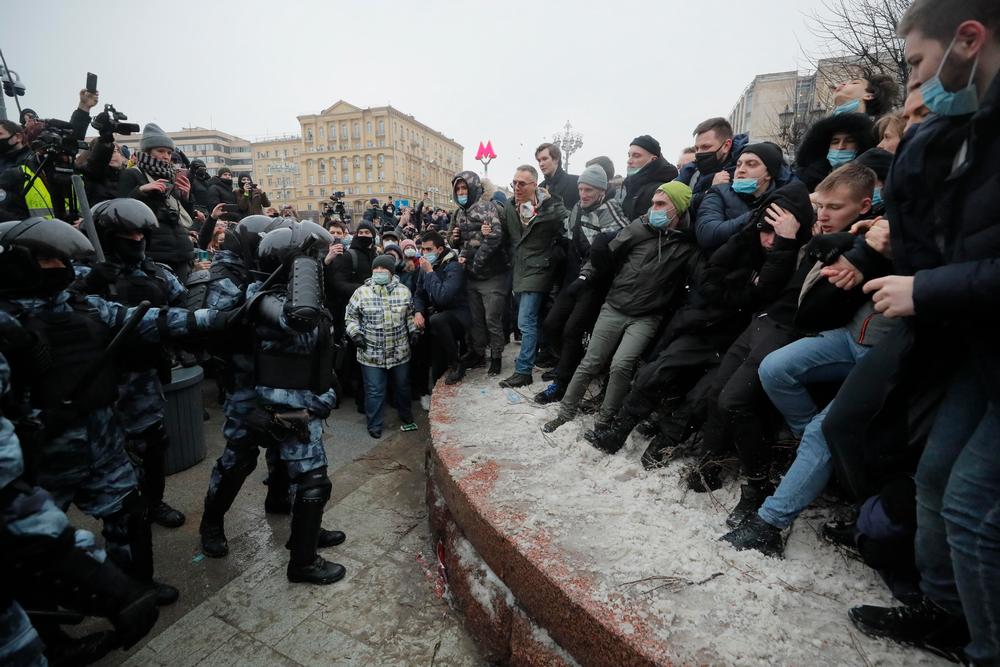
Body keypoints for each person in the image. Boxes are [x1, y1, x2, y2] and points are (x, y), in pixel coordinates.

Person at [847, 2, 1000, 663]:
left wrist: (925, 290)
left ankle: (987, 646)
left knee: (971, 508)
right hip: (979, 348)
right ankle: (943, 611)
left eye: (914, 64)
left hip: (977, 338)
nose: (914, 87)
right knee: (935, 478)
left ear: (968, 39)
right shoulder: (972, 129)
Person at [0, 217, 227, 607]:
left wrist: (215, 319)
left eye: (61, 259)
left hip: (101, 439)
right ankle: (49, 633)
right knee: (35, 545)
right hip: (40, 456)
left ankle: (137, 587)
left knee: (130, 514)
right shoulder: (7, 324)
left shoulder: (80, 304)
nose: (60, 267)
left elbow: (146, 317)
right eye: (47, 259)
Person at [589, 181, 814, 465]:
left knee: (701, 397)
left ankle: (662, 448)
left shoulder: (799, 254)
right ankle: (617, 432)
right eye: (766, 232)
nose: (770, 241)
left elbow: (767, 295)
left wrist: (784, 249)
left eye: (777, 235)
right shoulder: (743, 244)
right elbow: (711, 282)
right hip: (711, 325)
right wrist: (744, 292)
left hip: (744, 339)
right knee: (657, 370)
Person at [700, 164, 873, 527]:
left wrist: (819, 242)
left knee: (735, 400)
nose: (824, 214)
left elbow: (821, 307)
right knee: (719, 391)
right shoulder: (811, 231)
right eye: (820, 206)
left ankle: (758, 482)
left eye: (835, 208)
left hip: (791, 331)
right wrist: (791, 240)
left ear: (863, 208)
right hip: (765, 319)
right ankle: (717, 462)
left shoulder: (860, 249)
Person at [724, 215, 894, 557]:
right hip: (852, 335)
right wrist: (856, 239)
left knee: (823, 429)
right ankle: (811, 454)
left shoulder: (945, 234)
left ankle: (768, 525)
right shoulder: (887, 221)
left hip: (890, 353)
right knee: (776, 368)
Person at [200, 222, 346, 585]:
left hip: (292, 398)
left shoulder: (289, 295)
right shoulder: (254, 296)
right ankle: (212, 523)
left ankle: (302, 533)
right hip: (247, 395)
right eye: (310, 261)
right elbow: (289, 322)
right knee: (236, 464)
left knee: (301, 474)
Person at [0, 348, 160, 665]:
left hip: (99, 448)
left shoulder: (74, 308)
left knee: (130, 517)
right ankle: (54, 641)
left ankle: (134, 584)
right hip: (44, 466)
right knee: (29, 563)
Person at [542, 182, 700, 435]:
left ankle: (605, 420)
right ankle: (565, 412)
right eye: (653, 204)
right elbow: (606, 252)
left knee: (621, 366)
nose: (653, 210)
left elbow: (696, 276)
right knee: (591, 362)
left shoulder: (687, 244)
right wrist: (584, 277)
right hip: (615, 306)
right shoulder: (638, 228)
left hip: (647, 317)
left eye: (661, 205)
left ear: (678, 209)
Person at [73, 198, 190, 529]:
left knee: (153, 444)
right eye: (128, 235)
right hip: (98, 378)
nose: (136, 241)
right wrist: (86, 284)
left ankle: (154, 503)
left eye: (141, 234)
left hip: (142, 375)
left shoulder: (157, 273)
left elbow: (184, 308)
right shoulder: (82, 272)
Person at [535, 164, 629, 404]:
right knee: (552, 323)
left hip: (596, 281)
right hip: (575, 276)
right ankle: (567, 362)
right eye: (581, 189)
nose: (583, 194)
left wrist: (587, 276)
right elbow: (569, 235)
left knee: (573, 330)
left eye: (589, 190)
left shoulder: (610, 210)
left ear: (601, 191)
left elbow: (614, 246)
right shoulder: (577, 207)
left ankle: (563, 383)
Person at [498, 165, 568, 388]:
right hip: (519, 270)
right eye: (514, 183)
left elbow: (566, 224)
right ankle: (543, 353)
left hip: (539, 269)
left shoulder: (549, 207)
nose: (517, 187)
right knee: (533, 319)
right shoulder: (509, 206)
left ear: (534, 185)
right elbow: (507, 235)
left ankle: (524, 371)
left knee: (525, 321)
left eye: (522, 183)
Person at [345, 254, 419, 438]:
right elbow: (350, 317)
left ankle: (406, 414)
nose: (378, 272)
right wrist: (356, 334)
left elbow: (409, 315)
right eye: (375, 269)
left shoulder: (403, 291)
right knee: (374, 390)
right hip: (370, 352)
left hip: (399, 350)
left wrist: (414, 331)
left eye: (383, 269)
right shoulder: (361, 292)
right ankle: (374, 424)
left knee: (402, 386)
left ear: (391, 272)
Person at [447, 170, 508, 377]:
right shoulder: (458, 212)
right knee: (476, 320)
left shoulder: (487, 207)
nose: (461, 192)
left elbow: (495, 238)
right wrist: (454, 239)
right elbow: (452, 240)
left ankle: (497, 357)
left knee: (492, 318)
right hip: (472, 277)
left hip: (492, 275)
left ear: (473, 188)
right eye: (458, 189)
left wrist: (477, 262)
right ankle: (479, 354)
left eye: (464, 188)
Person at [118, 123, 196, 281]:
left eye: (168, 152)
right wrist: (141, 191)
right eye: (160, 151)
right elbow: (121, 211)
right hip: (155, 253)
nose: (166, 156)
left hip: (180, 251)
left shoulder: (169, 176)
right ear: (147, 151)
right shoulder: (131, 174)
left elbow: (182, 218)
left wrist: (186, 197)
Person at [695, 141, 792, 250]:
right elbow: (707, 233)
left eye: (751, 164)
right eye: (738, 165)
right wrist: (756, 215)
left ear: (769, 174)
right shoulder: (719, 192)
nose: (741, 170)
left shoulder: (783, 201)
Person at [412, 230, 470, 385]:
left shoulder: (453, 267)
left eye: (429, 249)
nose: (424, 253)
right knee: (435, 359)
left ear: (439, 249)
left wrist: (430, 272)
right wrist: (418, 312)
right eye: (422, 249)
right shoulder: (425, 268)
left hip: (458, 316)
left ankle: (457, 364)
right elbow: (418, 294)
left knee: (437, 320)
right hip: (438, 319)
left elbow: (443, 297)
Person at [675, 117, 749, 218]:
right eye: (697, 148)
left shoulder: (748, 168)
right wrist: (709, 191)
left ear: (726, 146)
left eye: (706, 147)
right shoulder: (691, 171)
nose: (699, 153)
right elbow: (673, 201)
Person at [793, 112, 876, 192]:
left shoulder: (871, 179)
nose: (841, 147)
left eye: (849, 141)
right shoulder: (806, 178)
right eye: (835, 142)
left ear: (861, 144)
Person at [615, 135, 679, 220]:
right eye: (629, 155)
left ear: (653, 159)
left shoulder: (661, 189)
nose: (629, 161)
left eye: (636, 155)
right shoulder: (631, 184)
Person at [829, 74, 900, 117]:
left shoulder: (874, 135)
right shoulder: (824, 132)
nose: (843, 84)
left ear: (869, 95)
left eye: (854, 83)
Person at [536, 142, 579, 209]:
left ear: (556, 159)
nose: (541, 164)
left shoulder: (575, 182)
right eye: (539, 161)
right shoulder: (540, 187)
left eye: (545, 159)